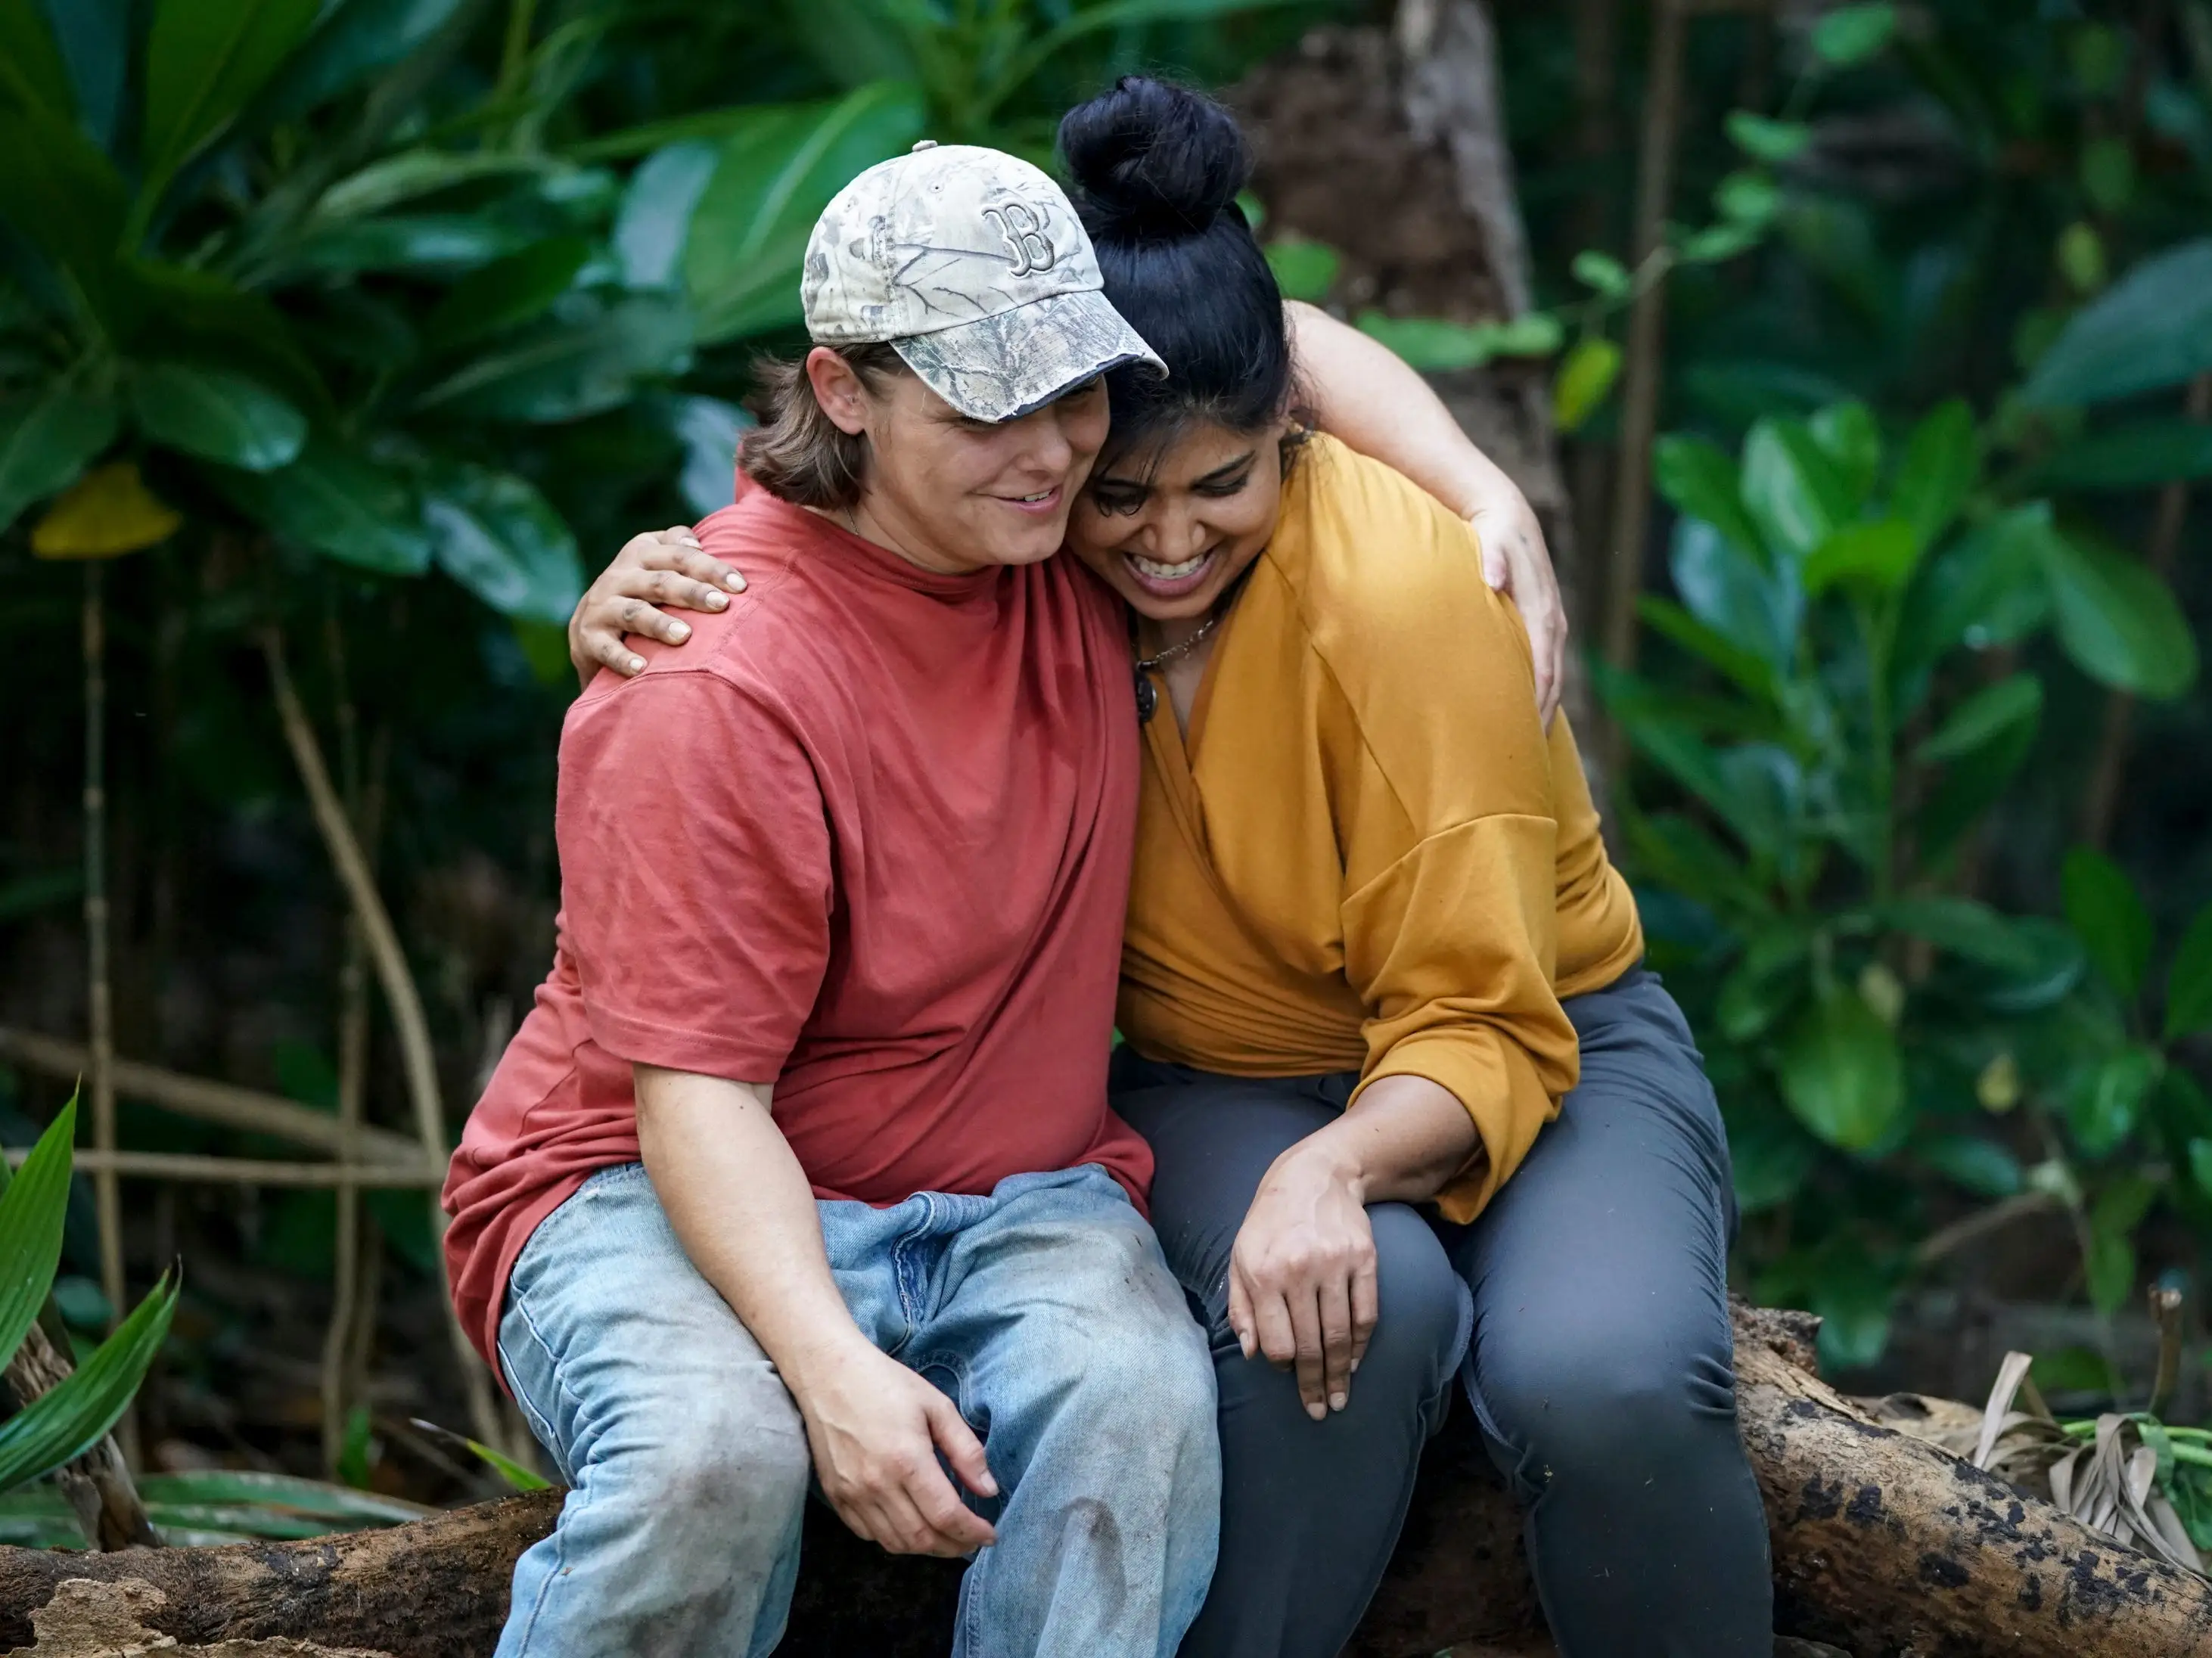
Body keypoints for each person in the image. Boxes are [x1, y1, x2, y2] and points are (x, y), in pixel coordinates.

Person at [580, 80, 1774, 1658]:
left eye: (1219, 488)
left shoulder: (1398, 601)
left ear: (1284, 433)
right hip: (1221, 1071)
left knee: (1602, 1375)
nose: (1163, 543)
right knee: (1356, 1318)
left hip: (1528, 1031)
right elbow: (853, 529)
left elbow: (1489, 1020)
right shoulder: (1035, 547)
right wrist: (636, 595)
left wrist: (1480, 490)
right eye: (1117, 493)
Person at [443, 140, 1224, 1658]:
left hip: (1021, 1198)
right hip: (649, 1181)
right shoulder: (709, 672)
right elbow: (693, 1102)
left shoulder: (1079, 551)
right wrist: (833, 1377)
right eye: (988, 402)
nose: (1053, 448)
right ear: (845, 388)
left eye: (1073, 391)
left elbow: (1273, 343)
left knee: (1140, 1407)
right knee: (714, 1456)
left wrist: (1479, 492)